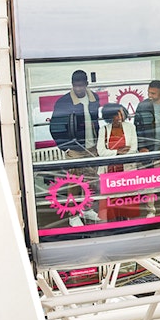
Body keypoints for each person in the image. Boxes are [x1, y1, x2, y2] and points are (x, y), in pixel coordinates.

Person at [49, 69, 100, 225]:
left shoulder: (94, 98)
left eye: (81, 85)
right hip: (74, 149)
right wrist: (66, 148)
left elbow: (96, 121)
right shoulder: (63, 102)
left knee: (91, 180)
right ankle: (73, 214)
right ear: (72, 85)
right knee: (74, 183)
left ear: (86, 84)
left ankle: (86, 209)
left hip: (92, 147)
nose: (78, 89)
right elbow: (55, 127)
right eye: (75, 86)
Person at [96, 104, 139, 221]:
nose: (120, 116)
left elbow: (133, 148)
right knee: (111, 203)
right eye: (117, 114)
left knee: (126, 201)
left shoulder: (130, 127)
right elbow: (101, 151)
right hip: (109, 173)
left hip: (126, 171)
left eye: (121, 113)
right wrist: (117, 152)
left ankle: (127, 223)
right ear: (110, 116)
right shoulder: (103, 130)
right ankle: (113, 224)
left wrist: (114, 152)